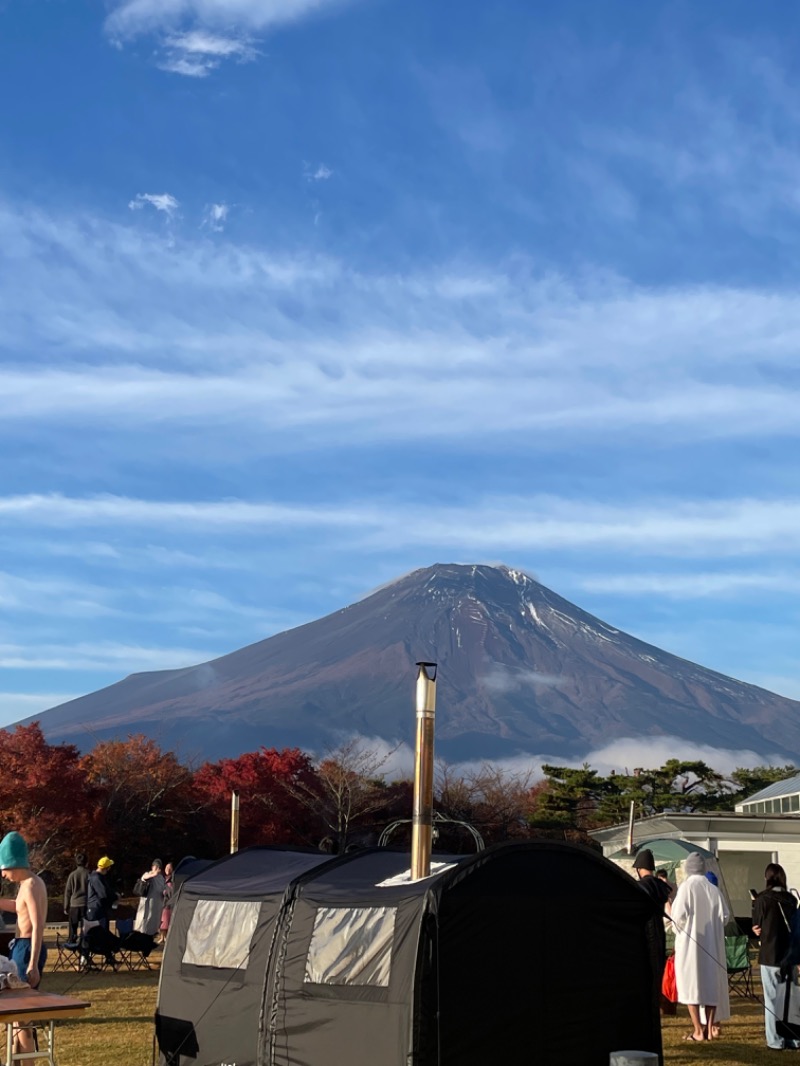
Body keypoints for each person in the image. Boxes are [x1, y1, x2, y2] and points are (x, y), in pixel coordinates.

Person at [671, 851, 729, 1042]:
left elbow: (677, 917)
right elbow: (725, 917)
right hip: (712, 946)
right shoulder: (713, 889)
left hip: (691, 946)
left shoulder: (686, 887)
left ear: (688, 869)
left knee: (691, 986)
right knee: (710, 986)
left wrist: (676, 928)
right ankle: (710, 1028)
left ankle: (697, 1030)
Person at [0, 832, 48, 1059]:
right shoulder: (30, 883)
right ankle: (15, 1060)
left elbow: (38, 926)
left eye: (4, 868)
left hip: (27, 948)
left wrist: (32, 964)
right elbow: (19, 908)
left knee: (22, 1016)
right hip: (22, 946)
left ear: (13, 863)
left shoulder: (30, 886)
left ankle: (25, 1062)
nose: (2, 874)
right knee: (17, 1016)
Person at [753, 862, 798, 1051]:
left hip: (770, 954)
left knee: (772, 999)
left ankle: (775, 1040)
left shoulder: (762, 899)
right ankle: (794, 1039)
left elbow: (756, 927)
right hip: (789, 955)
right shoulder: (791, 900)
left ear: (767, 878)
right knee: (790, 999)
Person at [134, 858, 166, 937]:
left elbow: (164, 888)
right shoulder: (148, 874)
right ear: (152, 867)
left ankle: (151, 934)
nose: (157, 868)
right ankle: (142, 934)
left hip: (157, 902)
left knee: (154, 919)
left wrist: (166, 892)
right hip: (147, 901)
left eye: (158, 867)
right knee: (145, 917)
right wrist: (153, 874)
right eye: (155, 866)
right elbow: (144, 878)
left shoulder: (161, 878)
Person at [63, 852, 89, 943]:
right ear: (86, 862)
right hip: (85, 904)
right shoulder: (88, 874)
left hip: (74, 904)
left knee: (73, 926)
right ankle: (84, 941)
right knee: (85, 927)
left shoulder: (72, 875)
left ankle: (72, 941)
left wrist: (66, 906)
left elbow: (68, 892)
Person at [86, 856, 117, 929]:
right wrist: (115, 897)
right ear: (107, 868)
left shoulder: (97, 877)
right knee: (99, 933)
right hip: (96, 909)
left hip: (97, 908)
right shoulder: (96, 878)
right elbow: (103, 894)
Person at [157, 862, 174, 943]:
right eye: (167, 868)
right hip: (161, 903)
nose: (168, 870)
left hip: (168, 904)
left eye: (169, 868)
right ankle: (161, 937)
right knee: (161, 921)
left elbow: (171, 892)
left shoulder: (172, 880)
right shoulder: (163, 879)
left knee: (167, 921)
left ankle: (166, 937)